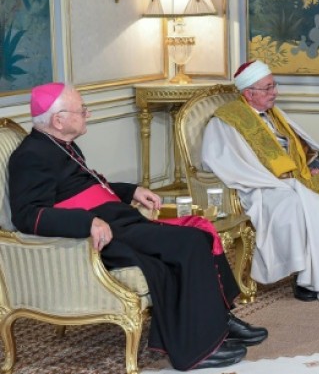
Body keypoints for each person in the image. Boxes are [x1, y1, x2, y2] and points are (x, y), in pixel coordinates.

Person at [7, 83, 268, 371]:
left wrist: (131, 190)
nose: (88, 114)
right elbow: (27, 215)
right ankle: (198, 349)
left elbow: (87, 188)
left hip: (121, 221)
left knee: (202, 231)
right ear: (58, 120)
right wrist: (87, 222)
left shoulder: (60, 144)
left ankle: (219, 322)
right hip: (104, 237)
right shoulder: (30, 156)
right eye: (82, 110)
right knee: (190, 241)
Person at [201, 60, 319, 302]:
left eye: (274, 85)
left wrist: (312, 167)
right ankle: (303, 277)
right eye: (268, 88)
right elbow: (229, 163)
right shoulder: (228, 121)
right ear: (248, 93)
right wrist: (283, 178)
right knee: (305, 203)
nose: (275, 92)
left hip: (298, 175)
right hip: (264, 185)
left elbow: (303, 146)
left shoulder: (274, 114)